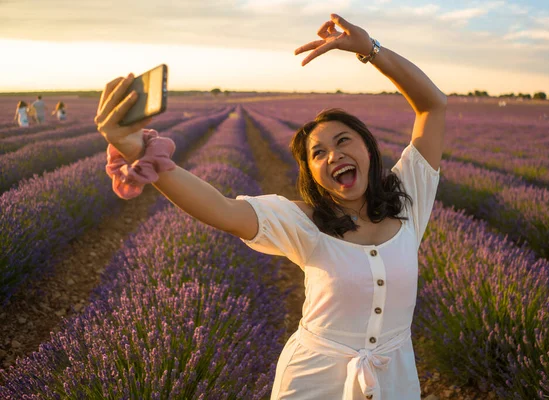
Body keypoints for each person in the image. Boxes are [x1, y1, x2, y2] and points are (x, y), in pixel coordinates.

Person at [95, 13, 445, 400]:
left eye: (344, 141)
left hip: (394, 382)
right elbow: (223, 210)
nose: (334, 156)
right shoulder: (303, 221)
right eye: (319, 153)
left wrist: (369, 50)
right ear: (312, 174)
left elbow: (432, 107)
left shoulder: (408, 200)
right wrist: (140, 153)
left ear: (368, 147)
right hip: (313, 382)